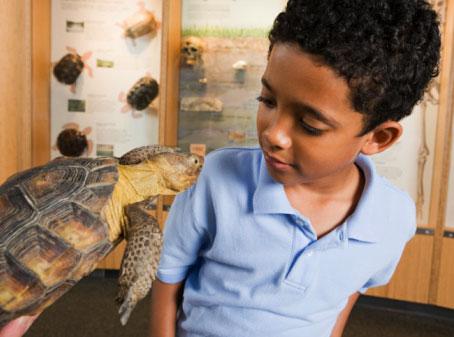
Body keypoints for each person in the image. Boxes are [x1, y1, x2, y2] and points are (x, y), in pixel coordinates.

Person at [150, 0, 441, 336]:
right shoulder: (214, 177)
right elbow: (168, 275)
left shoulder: (393, 218)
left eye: (309, 124)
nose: (273, 134)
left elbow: (346, 295)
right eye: (267, 101)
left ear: (378, 137)